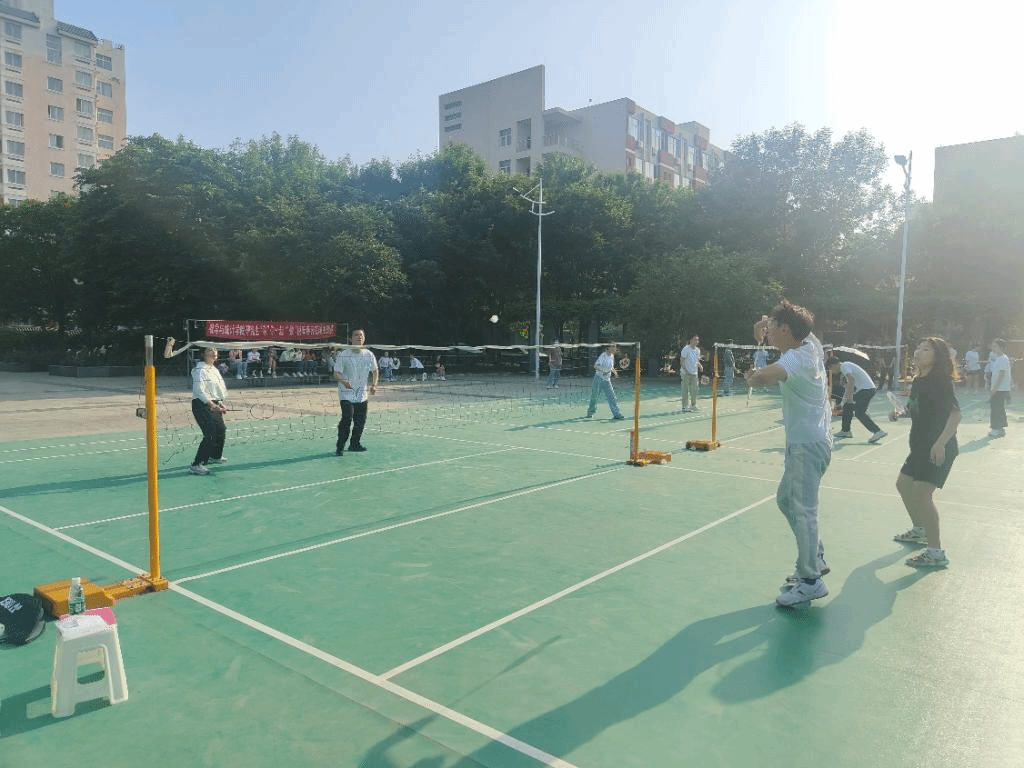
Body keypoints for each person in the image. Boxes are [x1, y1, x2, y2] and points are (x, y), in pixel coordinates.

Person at [744, 301, 831, 607]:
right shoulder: (811, 344)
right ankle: (815, 556)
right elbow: (793, 323)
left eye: (772, 327)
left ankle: (810, 580)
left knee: (804, 510)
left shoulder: (797, 358)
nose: (767, 332)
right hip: (812, 442)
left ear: (784, 329)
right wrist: (764, 323)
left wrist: (752, 376)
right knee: (785, 500)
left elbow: (764, 377)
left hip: (806, 445)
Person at [891, 337, 960, 569]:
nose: (919, 352)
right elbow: (916, 408)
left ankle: (935, 552)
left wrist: (940, 444)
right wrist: (901, 413)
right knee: (903, 485)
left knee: (922, 496)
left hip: (937, 447)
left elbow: (955, 415)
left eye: (926, 349)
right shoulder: (919, 380)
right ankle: (920, 529)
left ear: (937, 356)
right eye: (919, 348)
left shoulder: (940, 381)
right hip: (920, 446)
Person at [332, 328, 378, 455]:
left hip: (362, 394)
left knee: (360, 421)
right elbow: (336, 373)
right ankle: (340, 446)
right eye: (356, 335)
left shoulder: (369, 355)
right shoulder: (344, 354)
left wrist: (374, 384)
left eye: (361, 335)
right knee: (347, 418)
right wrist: (344, 381)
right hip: (346, 393)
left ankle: (354, 444)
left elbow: (375, 371)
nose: (359, 337)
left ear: (364, 338)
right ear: (351, 339)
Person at [189, 346, 228, 475]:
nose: (214, 352)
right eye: (209, 350)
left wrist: (220, 403)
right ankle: (196, 464)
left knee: (221, 430)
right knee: (210, 433)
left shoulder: (214, 370)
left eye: (215, 350)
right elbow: (199, 390)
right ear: (203, 354)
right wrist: (210, 403)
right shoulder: (199, 369)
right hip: (201, 404)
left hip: (214, 404)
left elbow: (217, 390)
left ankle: (215, 456)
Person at [828, 357, 886, 443]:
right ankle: (846, 431)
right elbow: (848, 387)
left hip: (867, 390)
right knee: (847, 406)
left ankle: (877, 431)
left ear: (833, 365)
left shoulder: (844, 366)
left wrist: (850, 397)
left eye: (830, 368)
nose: (831, 371)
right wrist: (842, 403)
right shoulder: (846, 367)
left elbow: (851, 380)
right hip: (864, 390)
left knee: (859, 413)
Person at [585, 343, 625, 420]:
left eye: (615, 347)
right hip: (598, 379)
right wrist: (603, 370)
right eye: (613, 347)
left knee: (612, 397)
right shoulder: (603, 355)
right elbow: (595, 366)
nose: (615, 348)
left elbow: (611, 367)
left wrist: (615, 372)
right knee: (594, 397)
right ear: (608, 348)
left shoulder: (612, 356)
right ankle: (590, 412)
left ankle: (616, 414)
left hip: (607, 380)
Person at [988, 339, 1011, 438]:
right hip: (999, 388)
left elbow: (1001, 374)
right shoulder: (998, 358)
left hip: (1000, 389)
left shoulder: (1003, 359)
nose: (993, 348)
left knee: (996, 408)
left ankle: (996, 429)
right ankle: (1001, 428)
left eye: (995, 346)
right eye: (993, 346)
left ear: (1001, 348)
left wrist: (995, 388)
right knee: (999, 408)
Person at [680, 334, 702, 412]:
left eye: (697, 340)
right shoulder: (686, 349)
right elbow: (682, 360)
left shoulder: (698, 350)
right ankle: (685, 407)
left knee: (694, 390)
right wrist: (685, 369)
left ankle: (693, 405)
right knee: (685, 390)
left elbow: (696, 361)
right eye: (695, 339)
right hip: (685, 373)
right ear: (691, 340)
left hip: (694, 373)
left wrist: (700, 366)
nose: (697, 341)